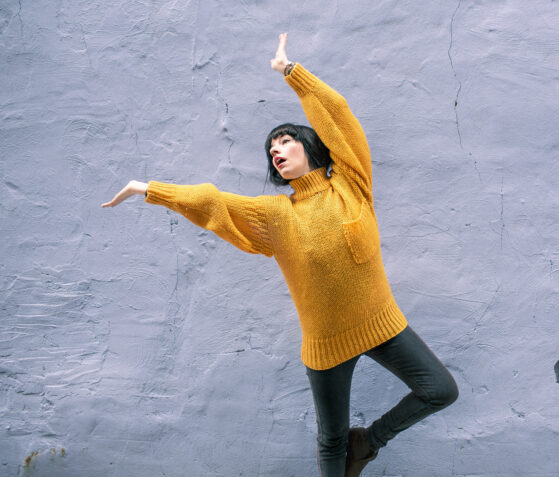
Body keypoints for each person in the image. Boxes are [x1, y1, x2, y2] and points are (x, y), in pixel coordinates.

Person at [102, 33, 458, 477]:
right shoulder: (275, 214)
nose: (276, 149)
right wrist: (148, 188)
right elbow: (214, 201)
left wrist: (293, 74)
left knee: (440, 389)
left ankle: (370, 441)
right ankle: (350, 450)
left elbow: (340, 115)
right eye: (272, 149)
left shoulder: (352, 183)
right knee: (330, 440)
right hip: (326, 346)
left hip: (381, 323)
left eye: (285, 141)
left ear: (310, 146)